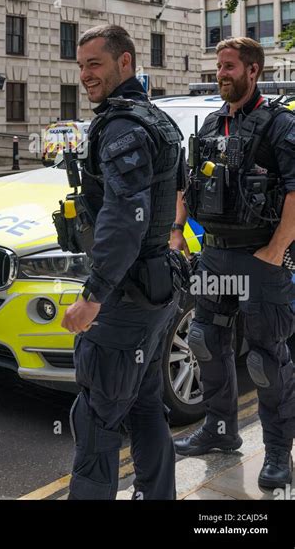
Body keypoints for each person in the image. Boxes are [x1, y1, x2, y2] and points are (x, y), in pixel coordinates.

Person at [56, 25, 185, 500]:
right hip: (155, 291)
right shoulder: (156, 118)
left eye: (95, 63)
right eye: (81, 64)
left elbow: (125, 216)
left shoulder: (122, 126)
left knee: (96, 420)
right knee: (146, 407)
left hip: (126, 299)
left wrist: (93, 297)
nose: (85, 74)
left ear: (125, 62)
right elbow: (171, 198)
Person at [171, 37, 295, 490]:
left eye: (228, 67)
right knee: (205, 341)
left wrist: (276, 250)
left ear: (253, 71)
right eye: (219, 67)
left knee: (266, 359)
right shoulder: (211, 124)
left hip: (260, 262)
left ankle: (279, 450)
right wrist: (176, 230)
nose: (221, 74)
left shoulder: (280, 125)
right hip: (215, 258)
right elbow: (187, 182)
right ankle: (220, 431)